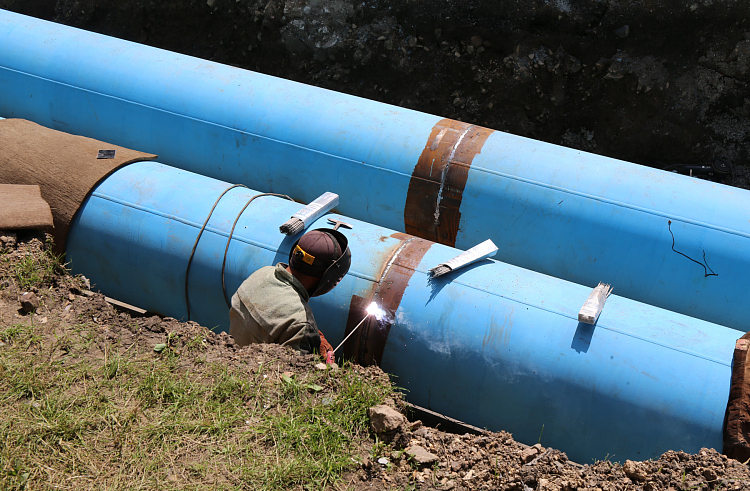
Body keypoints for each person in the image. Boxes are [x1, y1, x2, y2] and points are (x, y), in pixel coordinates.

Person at [229, 228, 351, 355]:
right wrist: (324, 365)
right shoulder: (301, 322)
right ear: (329, 276)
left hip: (234, 359)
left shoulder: (262, 273)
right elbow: (296, 371)